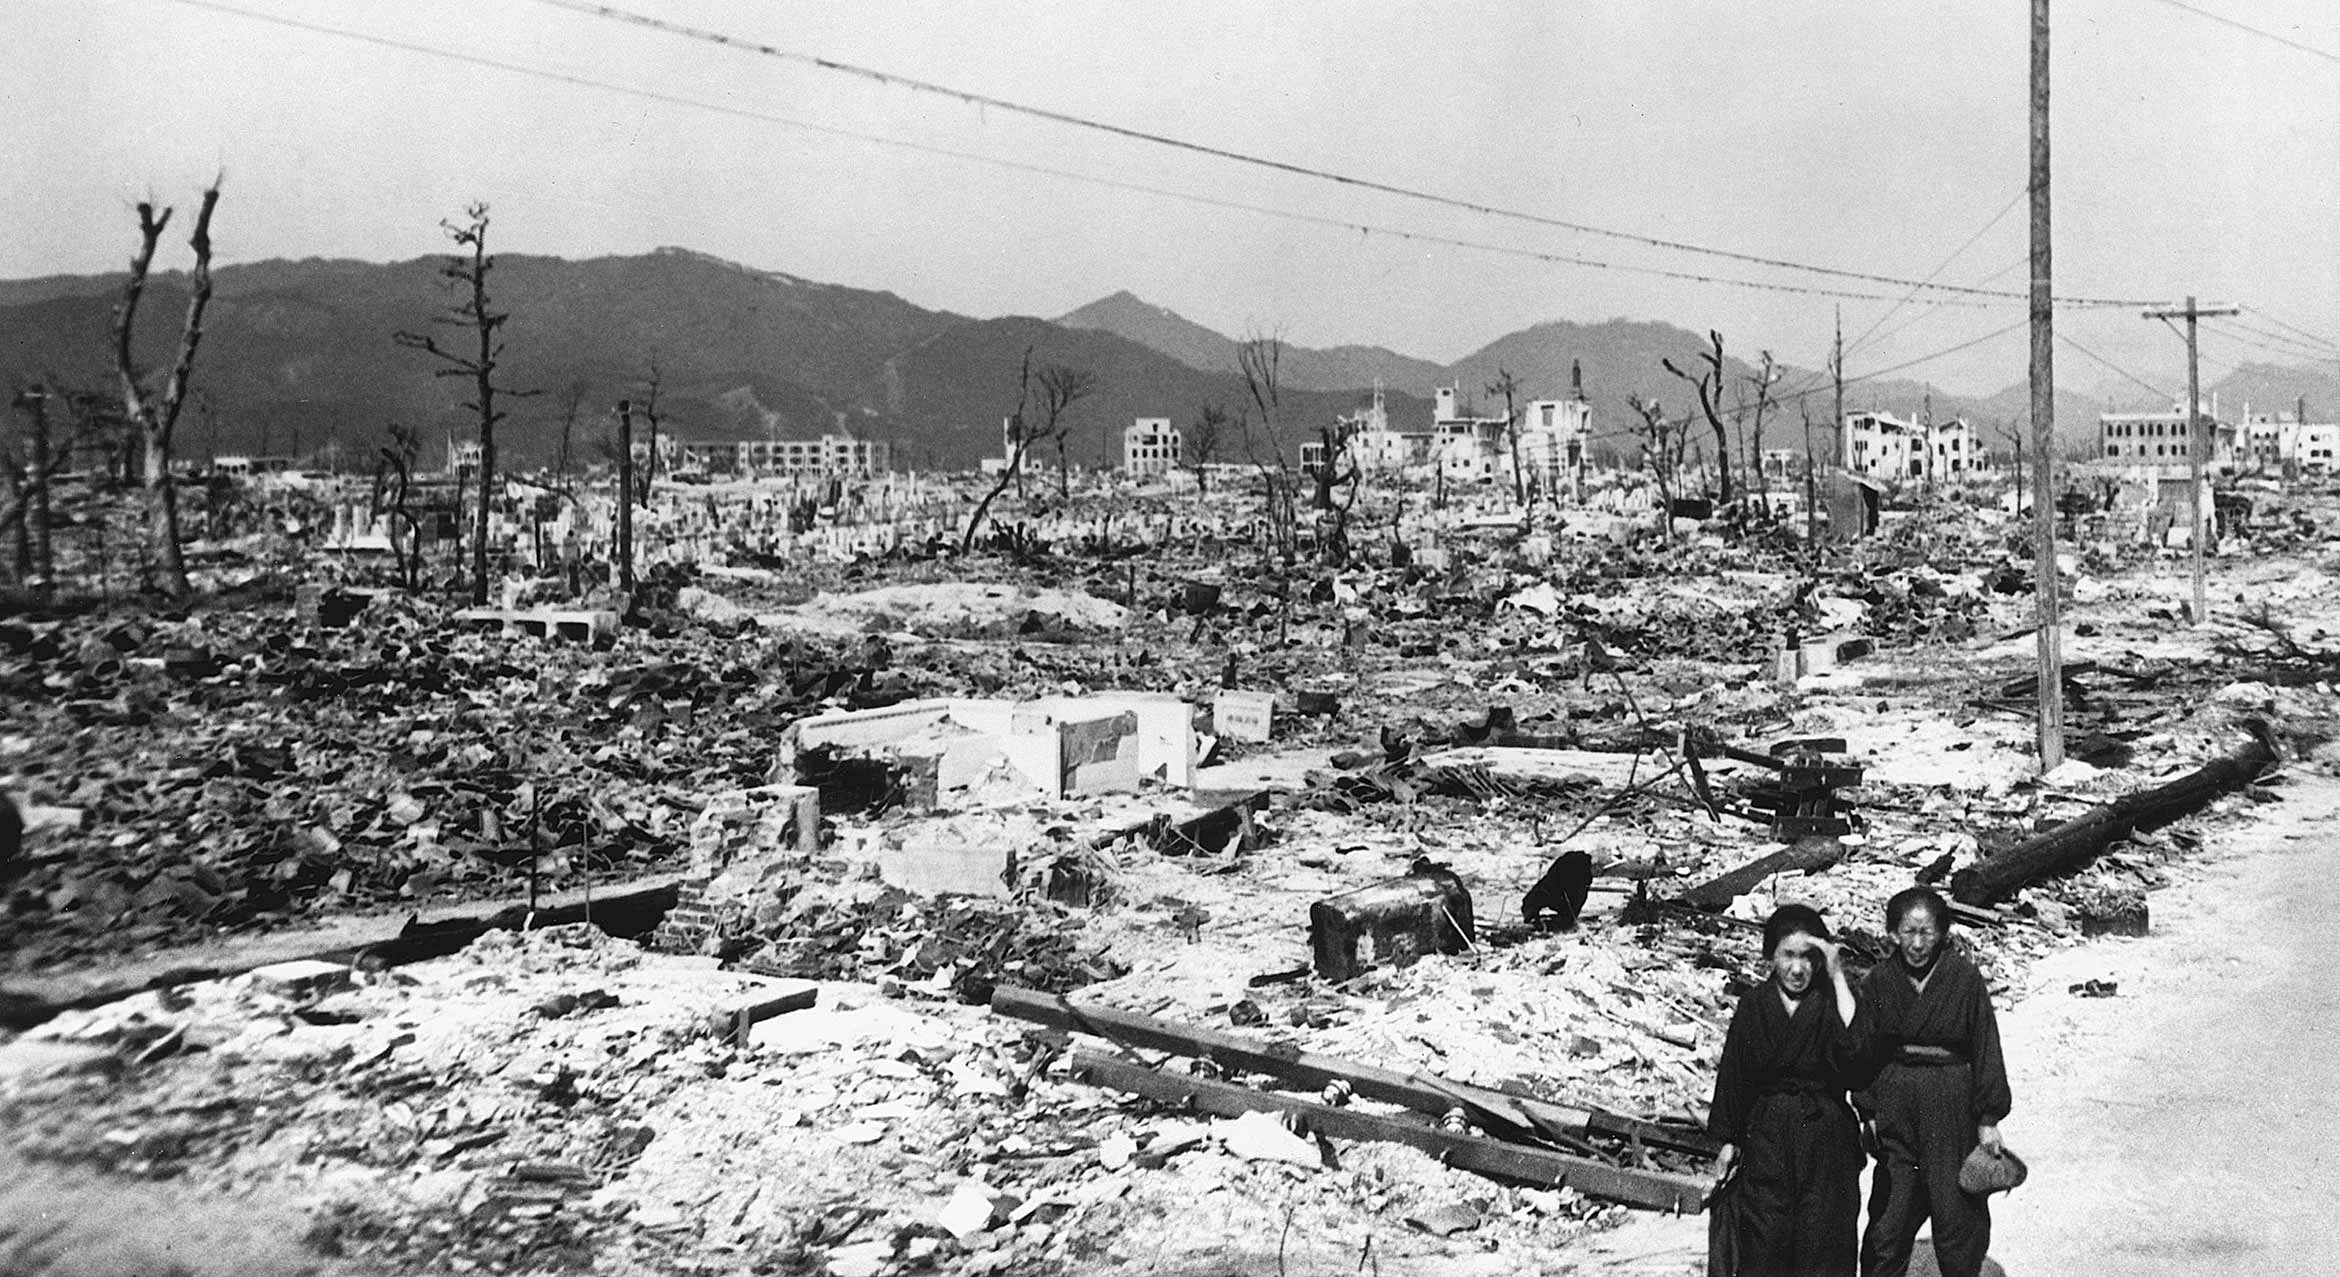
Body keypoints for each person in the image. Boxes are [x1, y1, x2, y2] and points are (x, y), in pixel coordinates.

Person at [1856, 886, 2010, 1277]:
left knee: (1956, 1216)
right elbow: (1864, 1051)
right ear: (1892, 933)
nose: (1918, 943)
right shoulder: (1879, 982)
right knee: (1888, 1222)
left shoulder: (1963, 978)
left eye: (1927, 932)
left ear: (1942, 933)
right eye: (1909, 931)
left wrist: (1988, 1119)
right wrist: (1868, 1109)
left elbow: (1985, 1046)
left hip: (1951, 1107)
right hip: (1897, 1107)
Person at [1709, 904, 1867, 1277]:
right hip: (1768, 1137)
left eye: (1808, 958)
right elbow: (1734, 1074)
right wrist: (1728, 1141)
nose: (1798, 969)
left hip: (1825, 1138)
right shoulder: (1754, 1006)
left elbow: (1859, 1053)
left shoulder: (1833, 1001)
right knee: (1765, 1239)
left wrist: (1838, 975)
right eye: (1788, 956)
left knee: (1824, 1240)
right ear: (1770, 956)